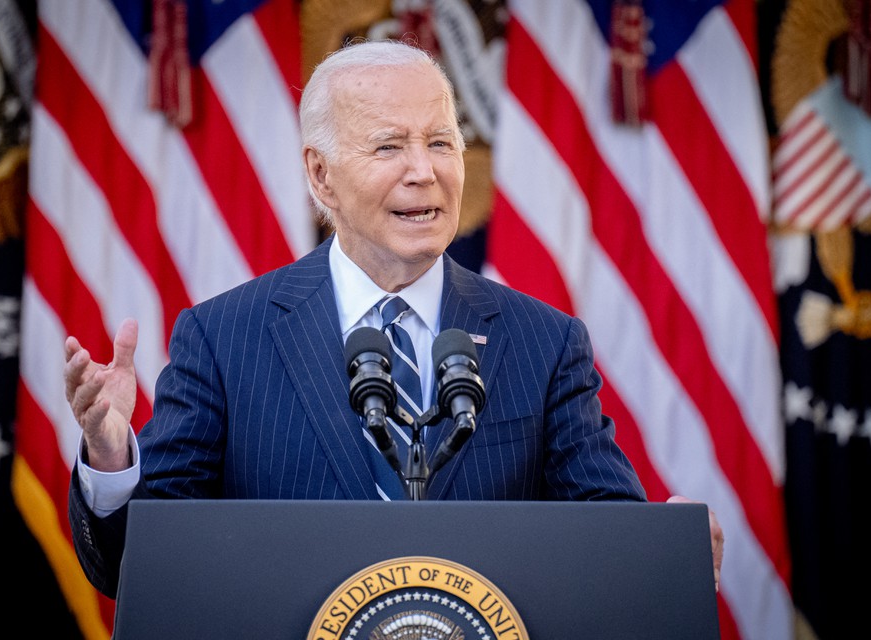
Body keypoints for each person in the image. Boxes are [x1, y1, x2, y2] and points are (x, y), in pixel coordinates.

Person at [64, 39, 723, 599]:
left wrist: (664, 554)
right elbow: (135, 569)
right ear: (321, 178)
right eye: (389, 147)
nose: (424, 172)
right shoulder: (223, 338)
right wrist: (112, 456)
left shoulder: (544, 343)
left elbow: (605, 536)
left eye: (441, 142)